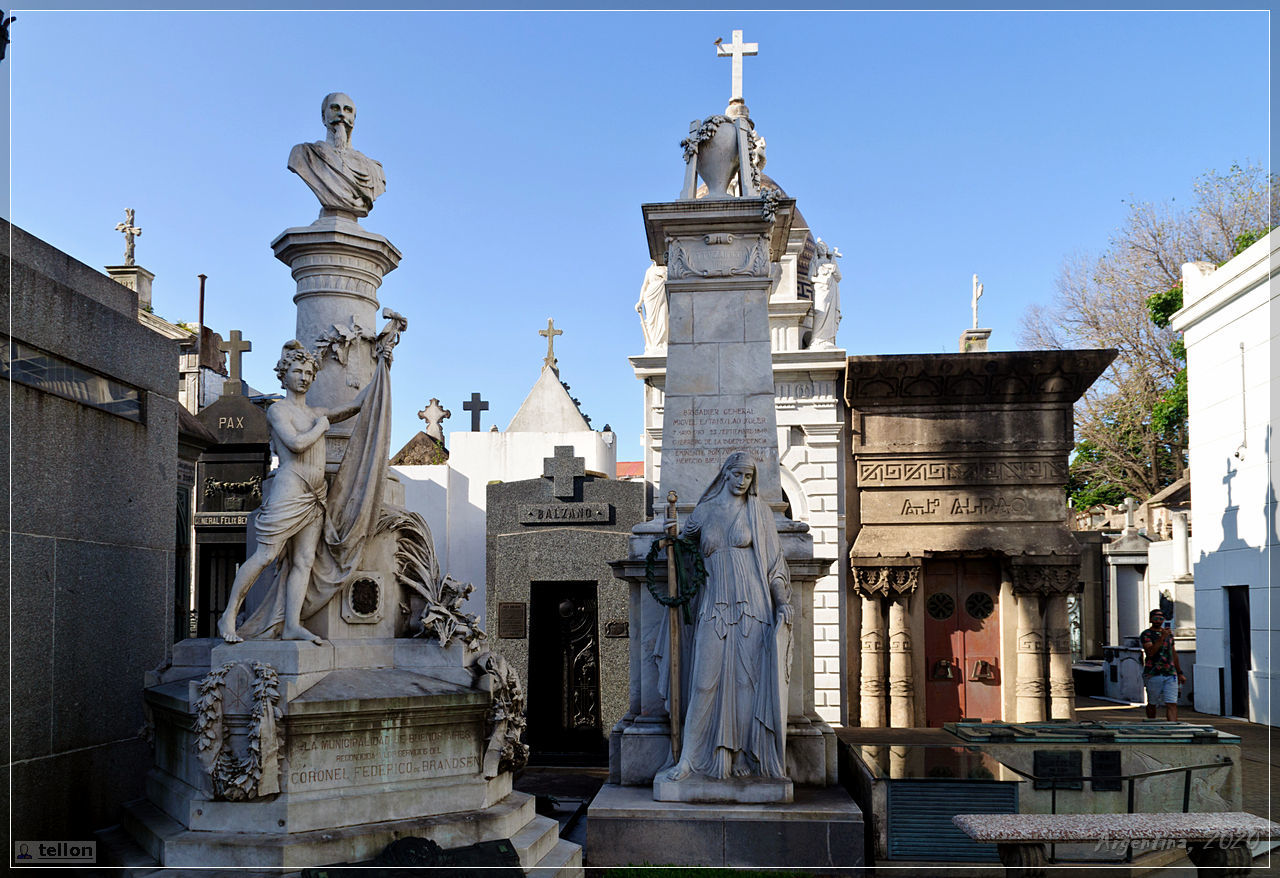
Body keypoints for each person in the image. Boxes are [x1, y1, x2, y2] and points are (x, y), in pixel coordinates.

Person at [217, 340, 370, 644]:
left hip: (315, 493)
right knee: (266, 554)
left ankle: (291, 625)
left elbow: (354, 406)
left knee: (303, 561)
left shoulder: (317, 411)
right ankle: (229, 615)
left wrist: (382, 376)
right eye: (297, 371)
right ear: (284, 375)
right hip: (290, 487)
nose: (303, 376)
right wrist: (321, 427)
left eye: (308, 372)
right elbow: (297, 444)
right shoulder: (278, 410)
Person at [661, 452, 793, 781]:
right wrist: (669, 535)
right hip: (714, 605)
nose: (741, 481)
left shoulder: (760, 513)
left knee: (745, 685)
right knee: (703, 684)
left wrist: (782, 601)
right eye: (736, 474)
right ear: (725, 474)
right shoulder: (705, 512)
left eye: (747, 476)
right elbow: (680, 550)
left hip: (753, 607)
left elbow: (775, 566)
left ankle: (739, 756)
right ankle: (689, 759)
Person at [288, 92, 386, 217]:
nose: (341, 114)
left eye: (348, 110)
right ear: (323, 117)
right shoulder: (304, 154)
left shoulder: (374, 170)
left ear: (354, 119)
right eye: (335, 108)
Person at [1140, 608, 1185, 720]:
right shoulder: (1147, 634)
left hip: (1170, 673)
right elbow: (1150, 652)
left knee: (1172, 703)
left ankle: (1172, 727)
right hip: (1153, 673)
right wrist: (1162, 637)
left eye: (1161, 618)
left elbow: (1173, 654)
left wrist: (1179, 673)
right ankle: (1152, 723)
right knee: (1153, 702)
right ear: (1151, 619)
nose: (1159, 620)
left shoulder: (1169, 635)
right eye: (1156, 618)